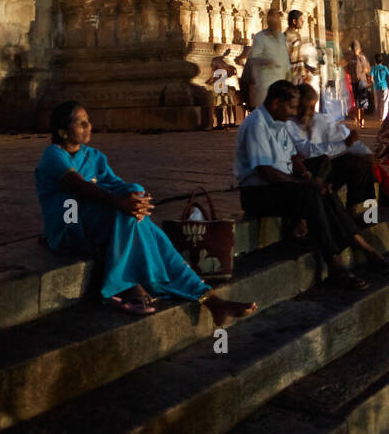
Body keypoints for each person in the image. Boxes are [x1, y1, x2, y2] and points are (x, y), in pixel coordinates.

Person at [36, 102, 258, 326]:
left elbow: (115, 183)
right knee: (127, 217)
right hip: (69, 226)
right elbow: (79, 185)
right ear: (63, 131)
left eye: (88, 120)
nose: (89, 126)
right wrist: (121, 203)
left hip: (98, 223)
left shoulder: (93, 156)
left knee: (150, 230)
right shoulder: (53, 155)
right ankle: (127, 284)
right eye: (81, 122)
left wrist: (137, 195)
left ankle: (208, 297)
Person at [235, 79, 389, 289]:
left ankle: (362, 245)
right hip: (258, 193)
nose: (293, 112)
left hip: (283, 183)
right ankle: (336, 264)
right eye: (291, 106)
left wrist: (309, 177)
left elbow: (293, 158)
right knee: (312, 193)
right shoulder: (257, 124)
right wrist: (303, 184)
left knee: (322, 185)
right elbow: (266, 171)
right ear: (275, 103)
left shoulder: (280, 122)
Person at [286, 82, 376, 209]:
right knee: (323, 161)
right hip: (305, 173)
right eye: (308, 107)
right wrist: (344, 144)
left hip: (324, 169)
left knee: (361, 162)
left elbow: (342, 136)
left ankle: (363, 212)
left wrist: (366, 153)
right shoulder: (288, 124)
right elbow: (306, 151)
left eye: (313, 107)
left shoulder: (319, 119)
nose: (311, 111)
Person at [248, 1, 292, 109]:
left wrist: (289, 78)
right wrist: (267, 61)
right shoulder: (260, 37)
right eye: (272, 18)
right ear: (268, 20)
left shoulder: (282, 37)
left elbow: (286, 60)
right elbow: (252, 60)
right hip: (265, 85)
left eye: (277, 18)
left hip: (281, 84)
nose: (275, 20)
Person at [345, 41, 371, 115]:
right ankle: (360, 121)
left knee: (360, 100)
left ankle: (361, 121)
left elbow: (366, 69)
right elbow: (366, 69)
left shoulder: (360, 58)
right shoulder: (355, 59)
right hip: (357, 81)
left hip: (360, 81)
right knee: (359, 101)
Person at [286, 10, 307, 86]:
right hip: (291, 74)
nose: (303, 21)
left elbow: (299, 56)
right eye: (300, 20)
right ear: (294, 21)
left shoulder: (297, 35)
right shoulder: (287, 36)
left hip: (298, 74)